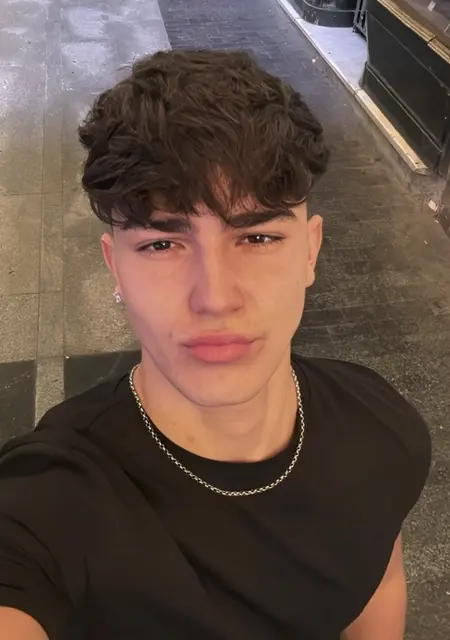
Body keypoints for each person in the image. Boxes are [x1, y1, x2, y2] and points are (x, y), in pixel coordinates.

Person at [0, 50, 431, 640]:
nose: (215, 297)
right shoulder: (47, 509)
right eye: (161, 244)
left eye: (257, 237)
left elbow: (377, 580)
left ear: (310, 251)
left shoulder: (381, 427)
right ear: (115, 267)